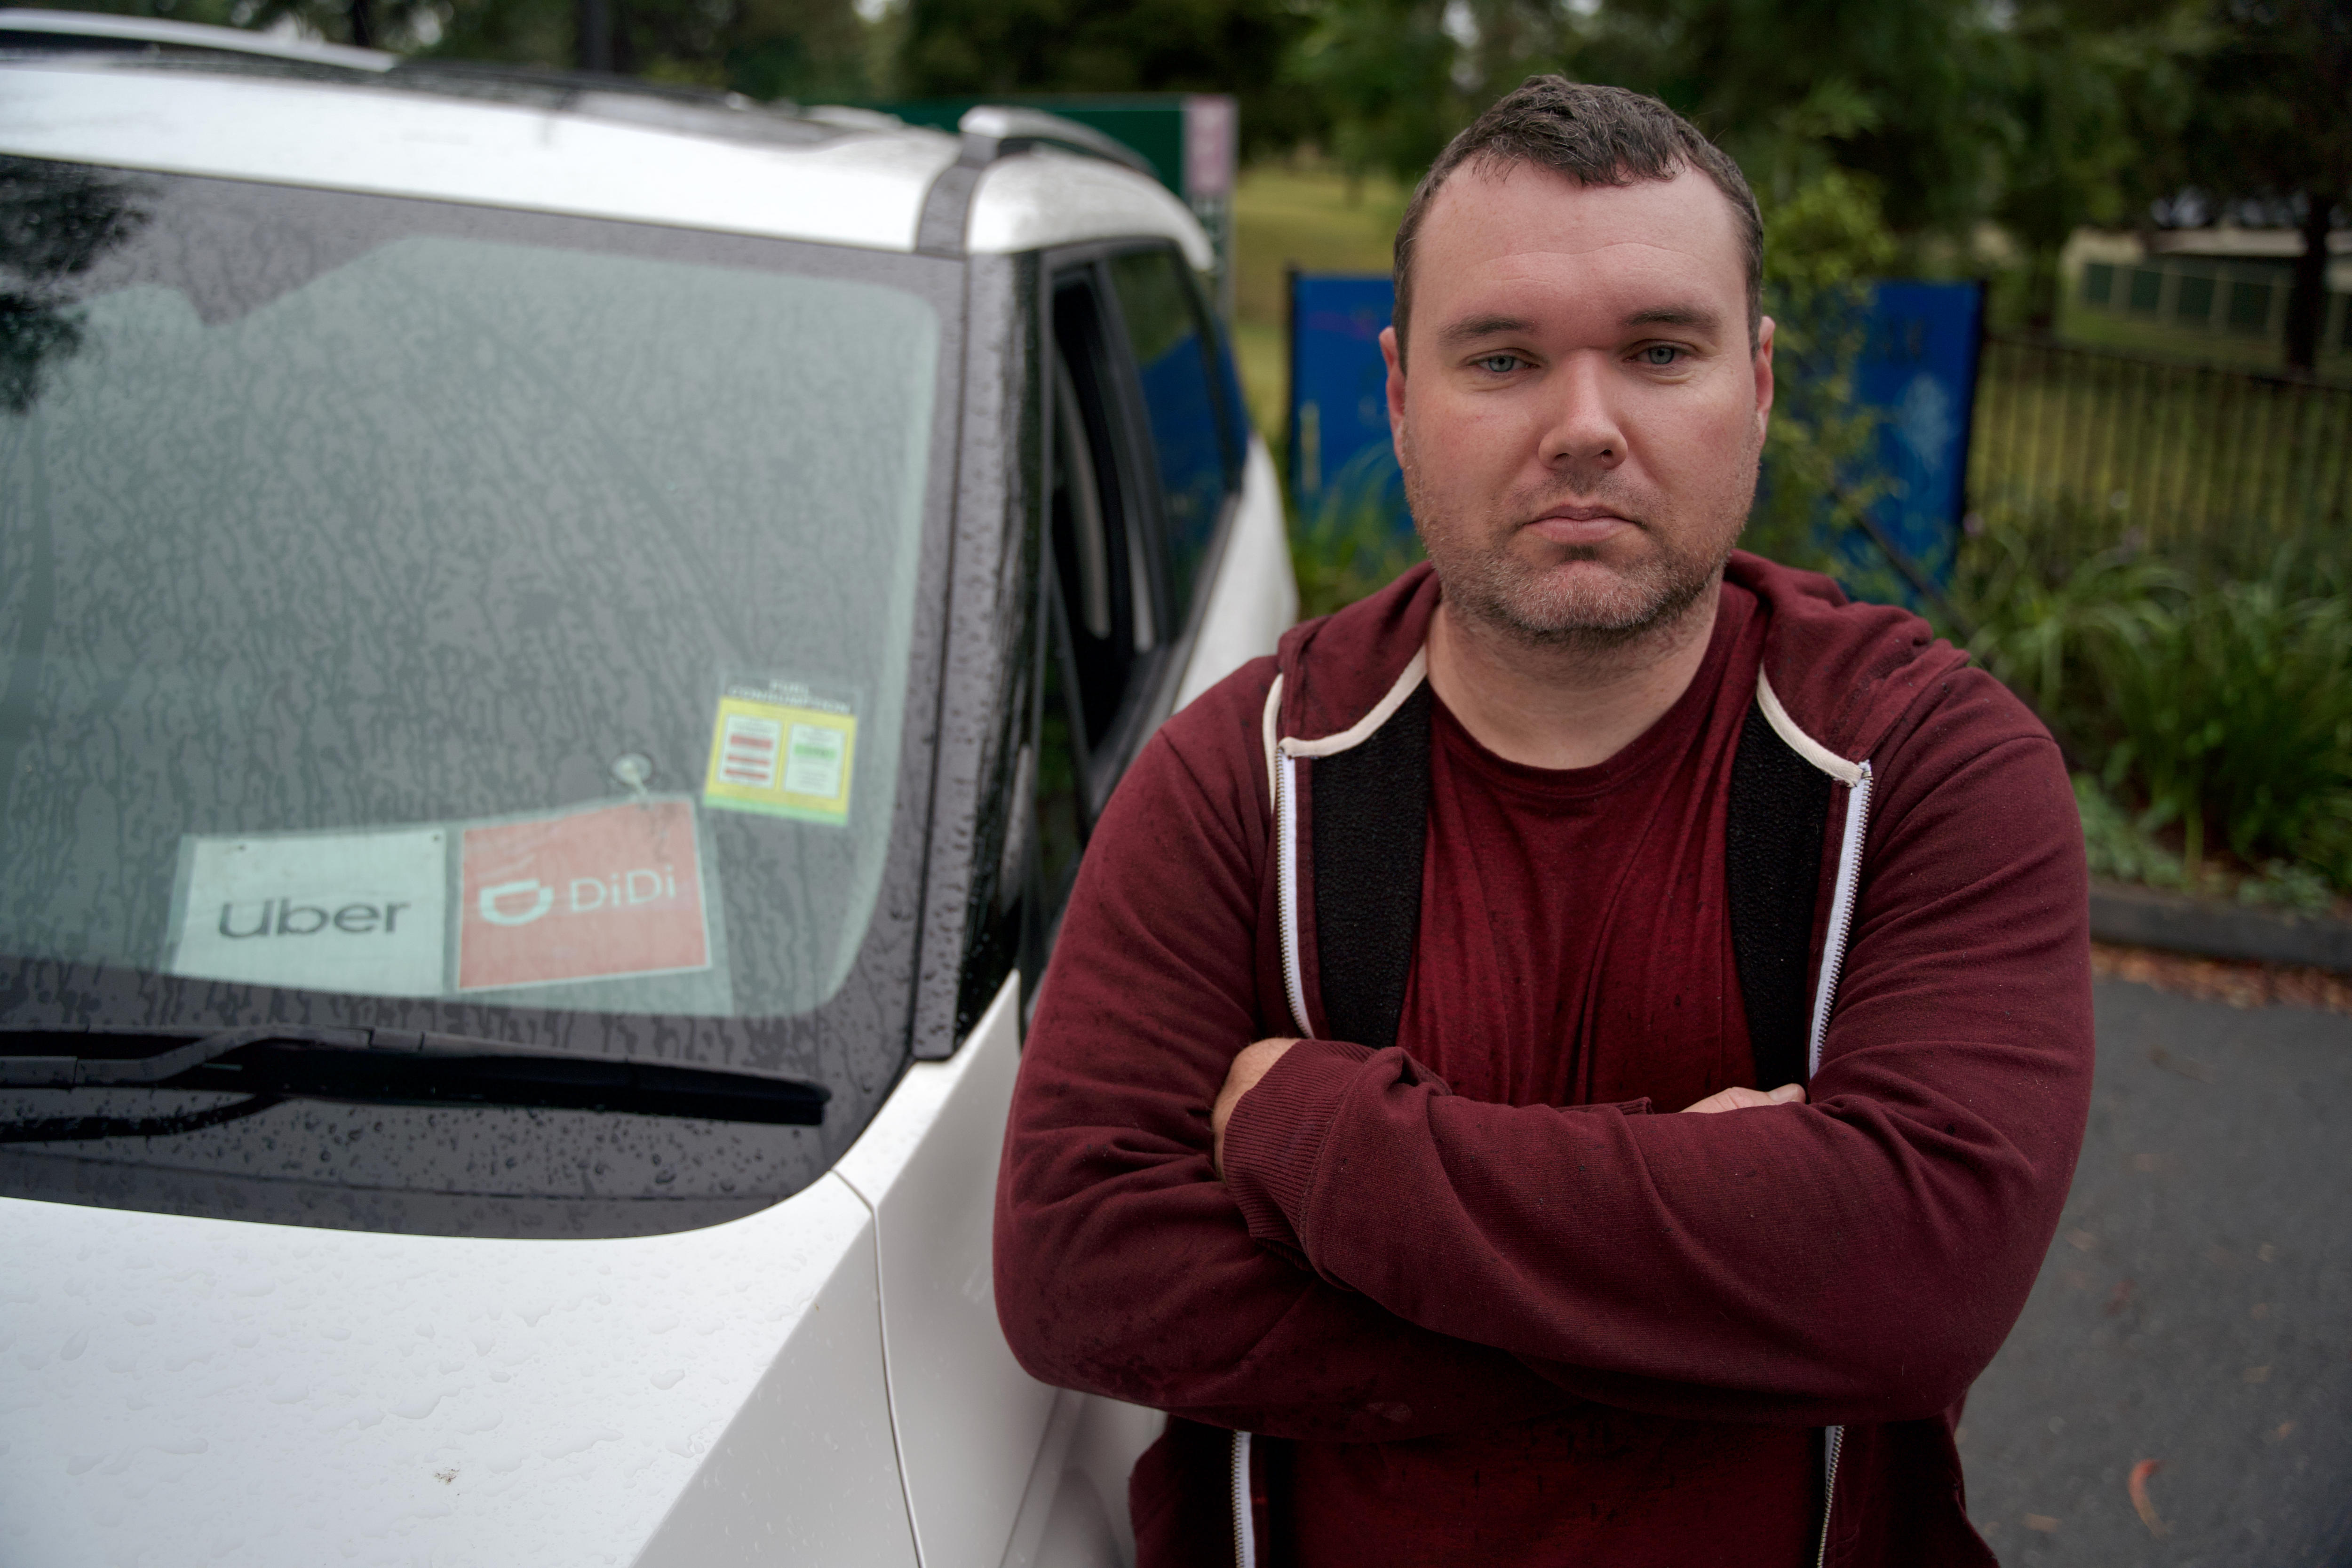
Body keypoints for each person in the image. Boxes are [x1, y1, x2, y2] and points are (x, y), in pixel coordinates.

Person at [993, 75, 2093, 1568]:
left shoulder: (1929, 769)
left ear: (1758, 384)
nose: (1585, 428)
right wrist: (1728, 1295)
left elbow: (1919, 1279)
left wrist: (1314, 1137)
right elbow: (1081, 1271)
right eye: (1502, 358)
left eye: (1659, 350)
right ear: (1396, 396)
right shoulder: (1241, 781)